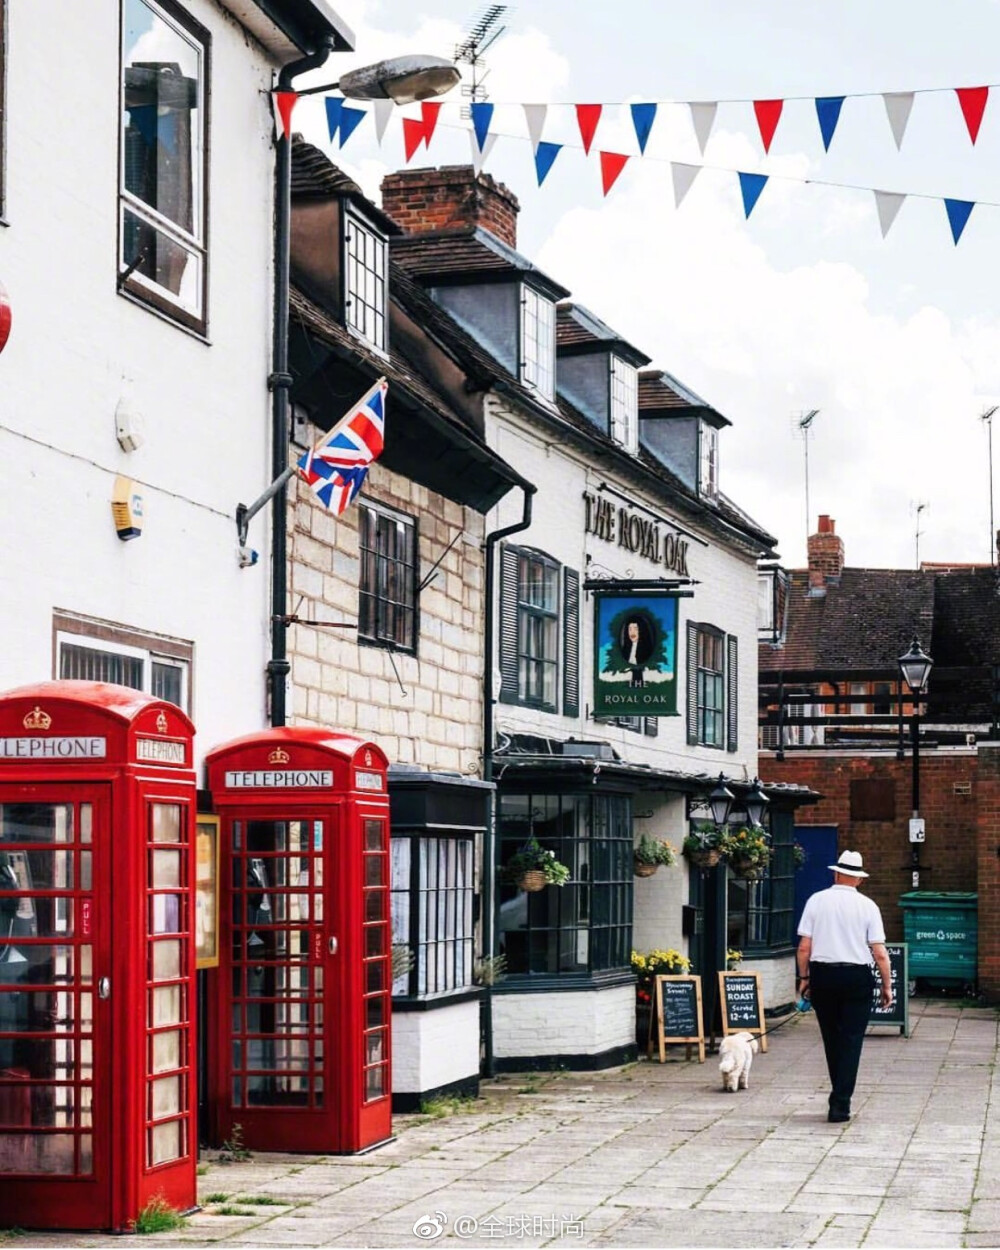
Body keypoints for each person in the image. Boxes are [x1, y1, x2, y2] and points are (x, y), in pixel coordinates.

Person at [796, 849, 892, 1123]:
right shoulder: (868, 906)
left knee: (832, 1038)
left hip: (824, 976)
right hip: (857, 978)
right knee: (851, 1041)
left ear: (836, 874)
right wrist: (887, 987)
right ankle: (841, 1103)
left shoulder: (816, 901)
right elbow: (880, 953)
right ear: (859, 880)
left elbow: (804, 947)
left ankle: (838, 1096)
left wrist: (804, 978)